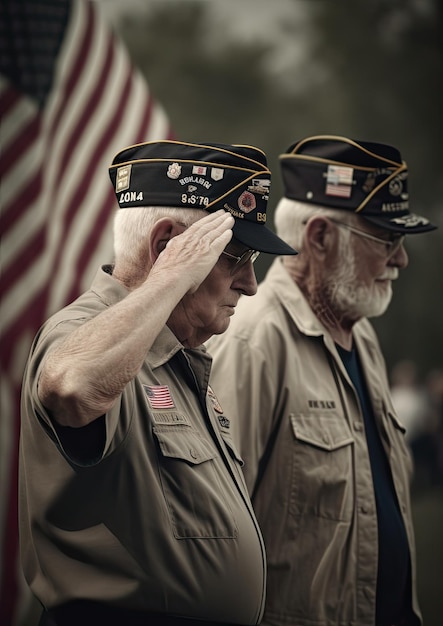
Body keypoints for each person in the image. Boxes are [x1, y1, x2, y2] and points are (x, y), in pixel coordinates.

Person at [19, 140, 297, 626]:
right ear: (167, 246)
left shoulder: (179, 351)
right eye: (237, 257)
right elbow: (71, 387)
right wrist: (169, 279)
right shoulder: (82, 330)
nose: (251, 284)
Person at [207, 135, 438, 626]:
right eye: (387, 239)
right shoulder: (253, 344)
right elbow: (215, 541)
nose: (401, 261)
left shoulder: (362, 334)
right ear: (318, 238)